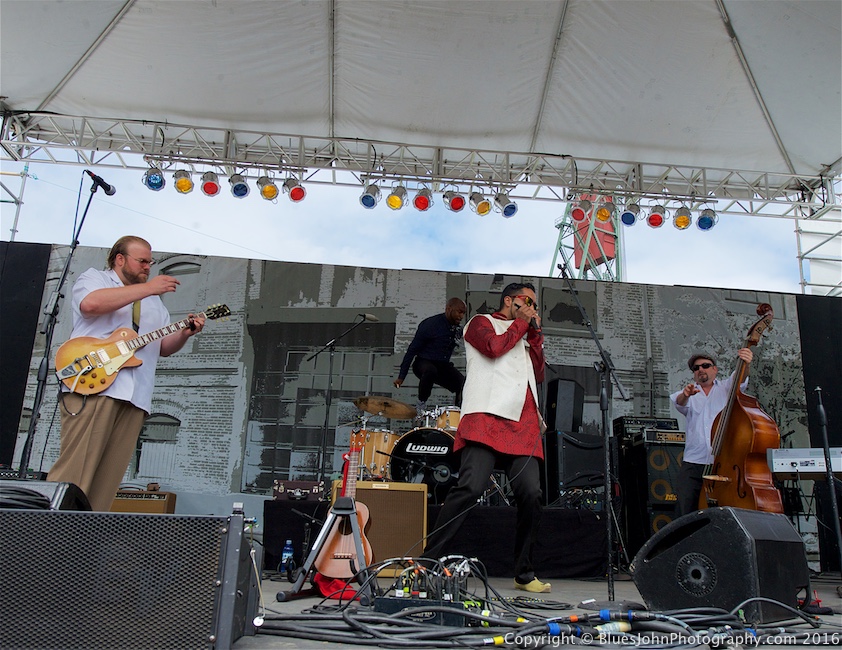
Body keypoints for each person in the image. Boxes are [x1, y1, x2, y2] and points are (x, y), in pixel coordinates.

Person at [47, 236, 205, 511]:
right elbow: (90, 305)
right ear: (120, 259)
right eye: (142, 261)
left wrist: (184, 334)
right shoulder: (96, 278)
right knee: (74, 472)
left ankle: (82, 543)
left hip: (135, 397)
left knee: (107, 481)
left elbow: (163, 348)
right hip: (95, 387)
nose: (148, 267)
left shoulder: (154, 302)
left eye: (150, 262)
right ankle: (46, 538)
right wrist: (148, 289)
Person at [423, 282, 550, 593]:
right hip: (486, 416)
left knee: (532, 493)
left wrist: (534, 335)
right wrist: (522, 324)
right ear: (509, 300)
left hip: (523, 422)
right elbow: (494, 348)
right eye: (526, 299)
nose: (532, 305)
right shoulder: (480, 322)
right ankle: (427, 561)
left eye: (535, 302)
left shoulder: (523, 332)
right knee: (470, 487)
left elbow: (538, 373)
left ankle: (524, 572)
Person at [670, 348, 753, 516]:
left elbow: (740, 377)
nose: (700, 369)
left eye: (705, 365)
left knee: (722, 508)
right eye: (696, 368)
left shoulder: (726, 388)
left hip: (722, 461)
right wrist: (686, 394)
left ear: (714, 369)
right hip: (694, 461)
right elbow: (680, 401)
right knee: (685, 506)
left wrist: (746, 362)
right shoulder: (689, 393)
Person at [393, 297, 467, 416]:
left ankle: (458, 413)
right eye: (459, 312)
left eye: (463, 313)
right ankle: (421, 405)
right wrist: (401, 376)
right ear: (448, 309)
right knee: (430, 371)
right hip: (423, 362)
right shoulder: (430, 325)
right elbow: (412, 350)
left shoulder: (457, 328)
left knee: (463, 383)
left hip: (442, 365)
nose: (461, 316)